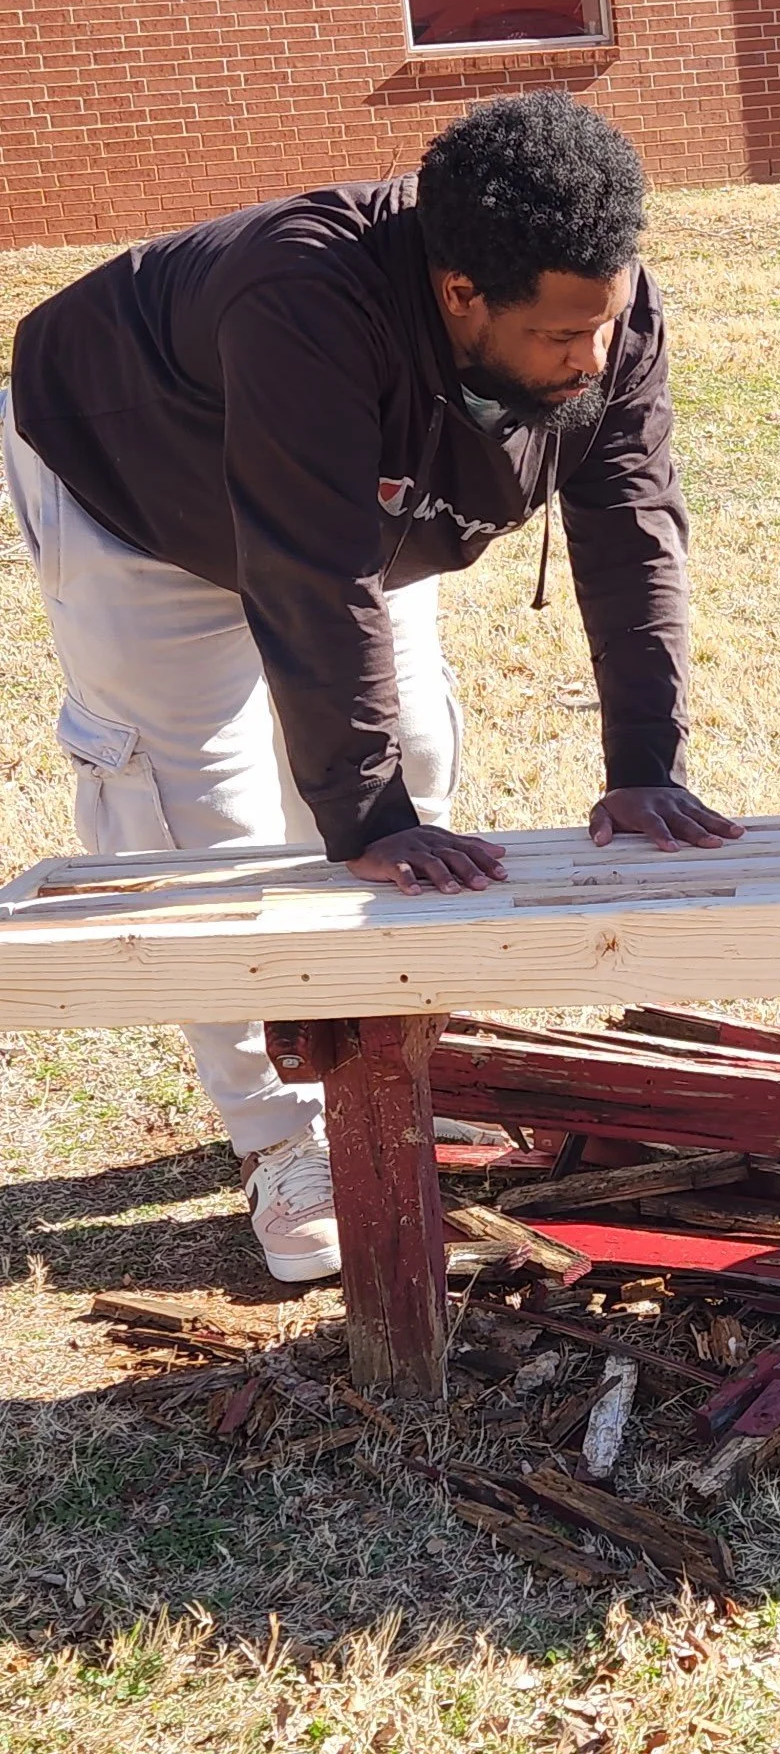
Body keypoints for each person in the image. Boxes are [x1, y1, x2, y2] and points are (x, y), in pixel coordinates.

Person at [4, 90, 741, 1279]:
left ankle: (383, 1070)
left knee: (419, 764)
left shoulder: (601, 304)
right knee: (219, 818)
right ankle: (282, 1139)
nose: (590, 356)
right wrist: (365, 811)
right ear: (460, 294)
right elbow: (309, 567)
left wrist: (646, 762)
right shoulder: (303, 295)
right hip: (136, 489)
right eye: (560, 336)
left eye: (601, 324)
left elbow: (633, 521)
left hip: (367, 496)